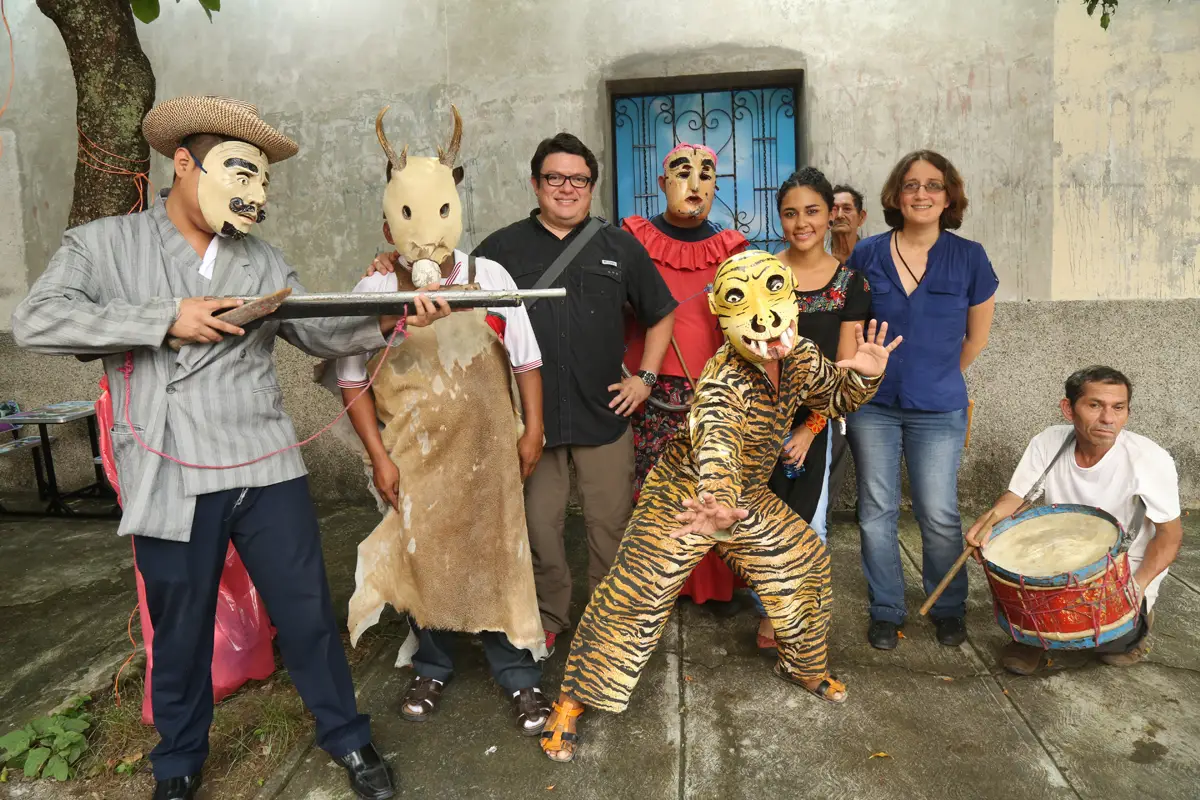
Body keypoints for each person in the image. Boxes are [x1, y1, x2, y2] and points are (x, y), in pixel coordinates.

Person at [10, 96, 441, 800]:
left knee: (305, 612)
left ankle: (348, 739)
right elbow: (37, 320)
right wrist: (161, 318)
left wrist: (392, 313)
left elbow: (319, 332)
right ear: (183, 165)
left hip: (264, 459)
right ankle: (178, 760)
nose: (256, 194)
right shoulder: (104, 244)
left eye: (264, 181)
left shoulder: (262, 257)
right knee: (179, 626)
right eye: (241, 174)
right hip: (169, 466)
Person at [538, 250, 902, 763]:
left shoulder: (799, 356)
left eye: (774, 294)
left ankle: (802, 664)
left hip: (744, 497)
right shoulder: (722, 379)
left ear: (792, 299)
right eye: (739, 299)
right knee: (633, 594)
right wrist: (716, 498)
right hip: (685, 497)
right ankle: (572, 702)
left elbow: (833, 397)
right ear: (718, 309)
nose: (764, 317)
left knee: (804, 562)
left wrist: (864, 373)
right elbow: (716, 438)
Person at [326, 106, 551, 736]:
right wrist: (379, 456)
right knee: (422, 552)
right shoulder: (373, 294)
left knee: (502, 551)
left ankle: (517, 673)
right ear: (386, 223)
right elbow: (350, 379)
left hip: (487, 448)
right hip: (413, 452)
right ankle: (433, 662)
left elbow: (526, 359)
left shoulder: (489, 277)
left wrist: (531, 430)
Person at [472, 133, 678, 652]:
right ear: (536, 183)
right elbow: (449, 288)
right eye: (555, 178)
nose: (567, 188)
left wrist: (645, 379)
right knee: (540, 528)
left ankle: (611, 620)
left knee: (609, 527)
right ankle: (550, 615)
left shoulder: (618, 247)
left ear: (592, 186)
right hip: (531, 421)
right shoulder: (500, 249)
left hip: (604, 414)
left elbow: (661, 312)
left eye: (579, 179)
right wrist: (392, 262)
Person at [844, 149, 998, 651]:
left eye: (933, 185)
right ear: (896, 194)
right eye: (911, 185)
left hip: (939, 408)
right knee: (876, 509)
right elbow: (850, 326)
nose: (922, 194)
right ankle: (886, 608)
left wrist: (937, 375)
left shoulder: (969, 256)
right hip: (875, 406)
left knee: (937, 511)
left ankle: (948, 606)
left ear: (948, 195)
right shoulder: (866, 254)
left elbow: (976, 337)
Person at [966, 366, 1183, 675]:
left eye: (1118, 408)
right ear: (1069, 408)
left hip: (1122, 562)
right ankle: (1033, 638)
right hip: (1059, 551)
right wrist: (988, 521)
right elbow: (1015, 498)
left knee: (1111, 646)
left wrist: (1139, 585)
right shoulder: (1048, 442)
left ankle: (1140, 620)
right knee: (1031, 584)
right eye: (1095, 405)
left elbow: (1170, 535)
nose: (1108, 418)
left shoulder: (1150, 459)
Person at [620, 142, 749, 615]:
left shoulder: (733, 247)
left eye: (707, 175)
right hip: (648, 386)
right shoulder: (631, 238)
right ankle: (657, 586)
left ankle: (712, 587)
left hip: (712, 389)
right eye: (682, 172)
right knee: (652, 489)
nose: (694, 185)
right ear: (661, 183)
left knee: (709, 488)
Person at [751, 167, 871, 651]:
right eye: (790, 213)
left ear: (830, 215)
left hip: (817, 423)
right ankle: (769, 614)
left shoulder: (851, 284)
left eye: (812, 211)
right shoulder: (762, 274)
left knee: (809, 524)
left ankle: (794, 618)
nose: (801, 222)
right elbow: (746, 351)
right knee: (759, 523)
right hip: (759, 419)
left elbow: (843, 368)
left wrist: (810, 428)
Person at [829, 184, 867, 263]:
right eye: (834, 209)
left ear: (861, 217)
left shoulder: (872, 254)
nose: (839, 215)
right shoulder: (816, 256)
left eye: (847, 209)